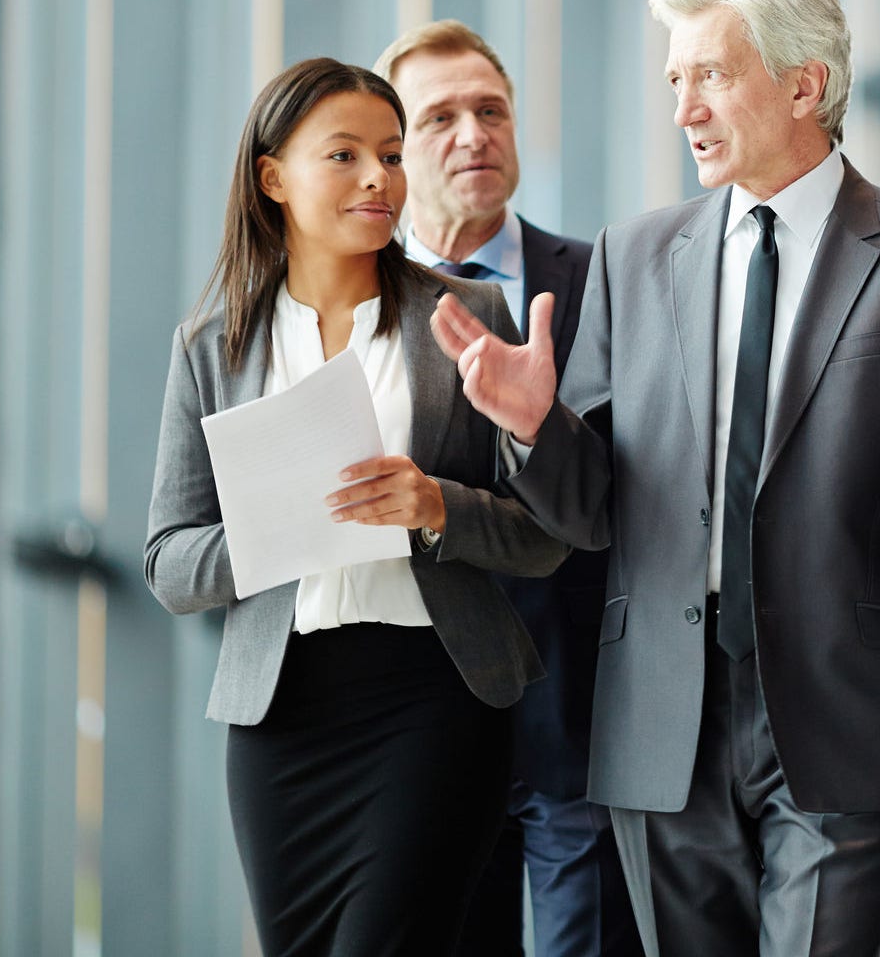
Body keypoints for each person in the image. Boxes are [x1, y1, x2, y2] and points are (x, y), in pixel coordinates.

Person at [430, 0, 880, 956]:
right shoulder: (635, 255)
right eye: (674, 78)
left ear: (805, 84)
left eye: (710, 74)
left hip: (845, 713)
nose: (683, 108)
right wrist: (534, 427)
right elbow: (590, 506)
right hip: (662, 716)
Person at [143, 57, 566, 954]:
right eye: (345, 155)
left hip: (434, 700)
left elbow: (547, 538)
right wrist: (276, 524)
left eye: (391, 153)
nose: (381, 178)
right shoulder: (214, 346)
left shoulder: (468, 313)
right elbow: (169, 563)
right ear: (273, 178)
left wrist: (437, 505)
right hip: (281, 720)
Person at [376, 20, 637, 957]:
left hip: (580, 715)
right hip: (417, 725)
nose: (473, 134)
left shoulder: (606, 283)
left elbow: (630, 485)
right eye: (440, 117)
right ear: (394, 153)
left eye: (492, 110)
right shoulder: (351, 300)